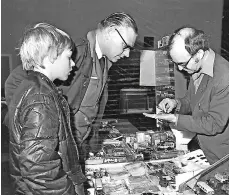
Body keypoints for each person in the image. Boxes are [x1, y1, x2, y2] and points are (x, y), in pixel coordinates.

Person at [5, 12, 138, 153]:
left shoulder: (104, 62)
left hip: (76, 147)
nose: (127, 54)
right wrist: (35, 131)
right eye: (125, 46)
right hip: (53, 150)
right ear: (110, 32)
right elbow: (14, 81)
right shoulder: (75, 51)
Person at [8, 23, 86, 195]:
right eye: (68, 56)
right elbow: (37, 167)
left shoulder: (31, 86)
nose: (73, 64)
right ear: (51, 56)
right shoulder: (40, 97)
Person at [144, 27, 229, 164]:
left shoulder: (226, 77)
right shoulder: (197, 67)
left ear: (199, 54)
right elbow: (192, 100)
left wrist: (175, 119)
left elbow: (214, 123)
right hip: (208, 148)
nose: (179, 69)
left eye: (182, 63)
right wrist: (176, 103)